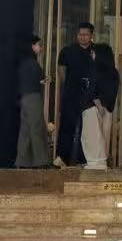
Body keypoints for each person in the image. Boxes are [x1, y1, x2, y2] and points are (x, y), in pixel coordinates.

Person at [56, 23, 116, 167]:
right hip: (71, 93)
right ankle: (62, 157)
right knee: (67, 125)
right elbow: (61, 71)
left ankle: (85, 159)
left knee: (89, 128)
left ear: (91, 35)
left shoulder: (97, 51)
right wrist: (68, 86)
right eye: (80, 34)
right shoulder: (67, 51)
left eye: (86, 34)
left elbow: (104, 72)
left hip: (90, 95)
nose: (83, 37)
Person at [14, 35, 52, 168]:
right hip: (33, 97)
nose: (41, 48)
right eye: (39, 45)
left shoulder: (22, 60)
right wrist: (44, 79)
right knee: (37, 128)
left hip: (24, 97)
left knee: (25, 130)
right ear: (32, 46)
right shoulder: (32, 61)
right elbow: (38, 77)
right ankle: (41, 162)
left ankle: (22, 161)